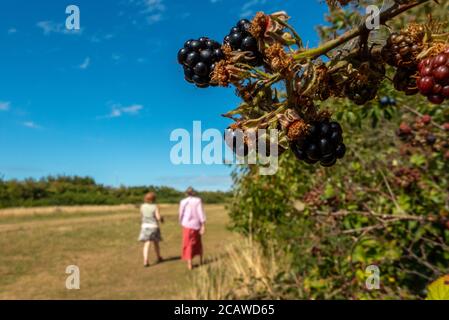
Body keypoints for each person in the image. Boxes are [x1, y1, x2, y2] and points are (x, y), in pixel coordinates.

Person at [179, 187, 206, 270]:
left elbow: (181, 213)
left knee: (188, 243)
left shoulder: (183, 201)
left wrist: (181, 221)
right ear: (194, 193)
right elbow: (200, 212)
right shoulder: (198, 200)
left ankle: (189, 263)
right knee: (198, 243)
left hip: (187, 225)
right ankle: (200, 260)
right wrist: (203, 224)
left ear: (186, 193)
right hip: (196, 224)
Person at [138, 192, 163, 267]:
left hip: (145, 226)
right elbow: (158, 217)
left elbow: (142, 216)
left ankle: (145, 260)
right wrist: (161, 219)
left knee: (146, 244)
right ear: (154, 199)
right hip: (153, 226)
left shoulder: (142, 206)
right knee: (156, 243)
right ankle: (158, 257)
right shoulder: (155, 206)